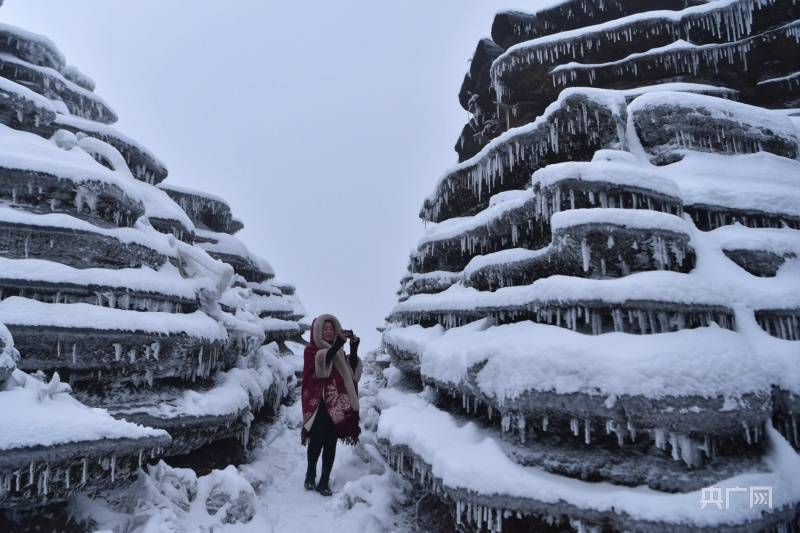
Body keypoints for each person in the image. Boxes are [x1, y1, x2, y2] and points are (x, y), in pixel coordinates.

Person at [301, 314, 362, 496]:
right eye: (325, 329)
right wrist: (338, 346)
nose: (328, 332)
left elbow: (351, 375)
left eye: (331, 329)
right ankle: (311, 472)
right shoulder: (311, 350)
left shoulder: (340, 352)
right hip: (319, 405)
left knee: (331, 443)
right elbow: (322, 369)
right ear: (318, 332)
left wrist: (354, 349)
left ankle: (324, 481)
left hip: (338, 405)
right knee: (316, 442)